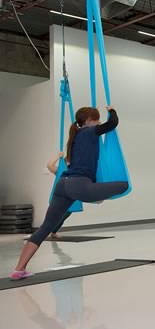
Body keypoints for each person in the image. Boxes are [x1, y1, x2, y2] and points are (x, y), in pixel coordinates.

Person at [11, 106, 129, 280]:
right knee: (124, 185)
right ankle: (96, 197)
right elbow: (112, 124)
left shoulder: (75, 137)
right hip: (80, 186)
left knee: (45, 227)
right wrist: (112, 110)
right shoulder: (90, 132)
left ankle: (19, 270)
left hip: (63, 185)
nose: (99, 123)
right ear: (89, 121)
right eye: (97, 120)